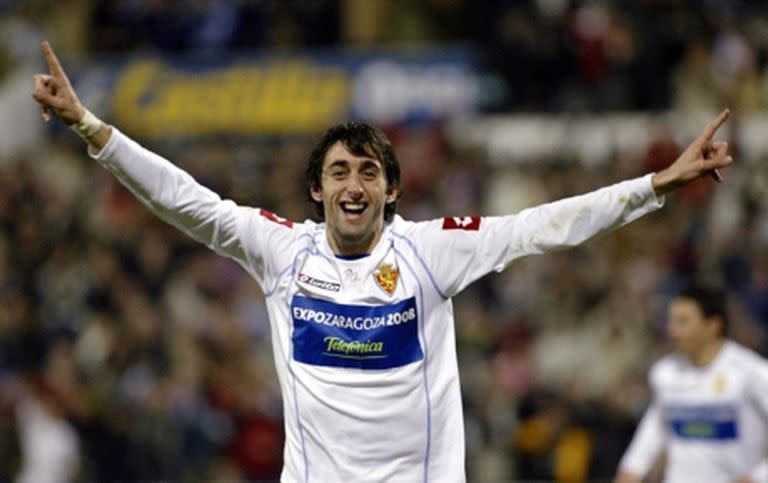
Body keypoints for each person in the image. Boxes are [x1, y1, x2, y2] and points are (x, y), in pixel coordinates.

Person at [32, 41, 734, 483]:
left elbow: (543, 225)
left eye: (369, 171)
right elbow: (182, 199)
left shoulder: (431, 252)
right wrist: (91, 128)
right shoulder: (283, 251)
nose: (353, 184)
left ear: (391, 189)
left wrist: (656, 186)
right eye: (339, 171)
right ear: (318, 189)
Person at [615, 285, 768, 483]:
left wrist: (758, 477)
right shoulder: (666, 373)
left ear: (713, 325)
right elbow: (656, 424)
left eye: (683, 322)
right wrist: (632, 468)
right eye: (671, 321)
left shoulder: (752, 373)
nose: (672, 331)